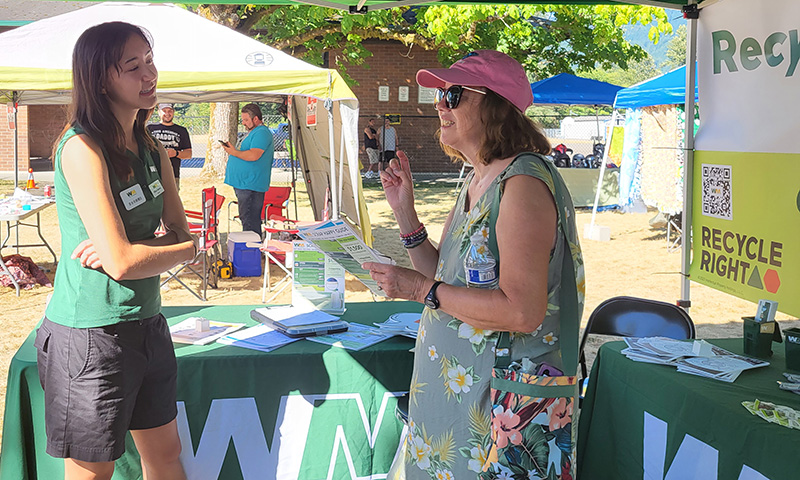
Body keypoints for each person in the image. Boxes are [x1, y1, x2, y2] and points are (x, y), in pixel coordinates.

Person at [363, 50, 584, 479]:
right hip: (459, 399)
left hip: (504, 408)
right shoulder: (478, 177)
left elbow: (522, 311)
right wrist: (406, 214)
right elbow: (444, 276)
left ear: (497, 106)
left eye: (453, 94)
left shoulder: (521, 184)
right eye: (441, 94)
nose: (439, 105)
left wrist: (418, 291)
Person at [36, 22, 194, 480]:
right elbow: (124, 264)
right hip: (90, 336)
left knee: (165, 454)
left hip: (148, 324)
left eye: (150, 60)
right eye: (134, 66)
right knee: (93, 471)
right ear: (101, 77)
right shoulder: (82, 147)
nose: (150, 74)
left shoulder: (150, 147)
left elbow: (183, 239)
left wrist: (154, 249)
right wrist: (158, 250)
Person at [221, 103, 274, 235]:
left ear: (255, 119)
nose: (243, 123)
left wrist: (233, 152)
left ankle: (252, 250)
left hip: (250, 184)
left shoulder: (262, 132)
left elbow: (254, 155)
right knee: (248, 218)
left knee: (249, 219)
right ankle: (252, 249)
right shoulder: (253, 132)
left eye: (246, 120)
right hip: (245, 183)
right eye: (242, 120)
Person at [147, 103, 192, 191]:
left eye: (170, 111)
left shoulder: (181, 130)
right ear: (159, 112)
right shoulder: (150, 128)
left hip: (172, 174)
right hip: (153, 174)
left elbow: (188, 154)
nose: (167, 114)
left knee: (172, 202)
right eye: (164, 111)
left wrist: (176, 153)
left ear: (173, 112)